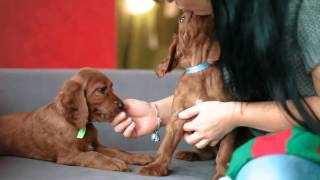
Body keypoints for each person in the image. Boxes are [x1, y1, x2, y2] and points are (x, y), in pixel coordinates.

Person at [112, 0, 320, 179]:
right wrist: (156, 112)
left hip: (302, 148)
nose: (168, 2)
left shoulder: (306, 9)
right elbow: (224, 95)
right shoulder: (232, 24)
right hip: (256, 149)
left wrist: (235, 115)